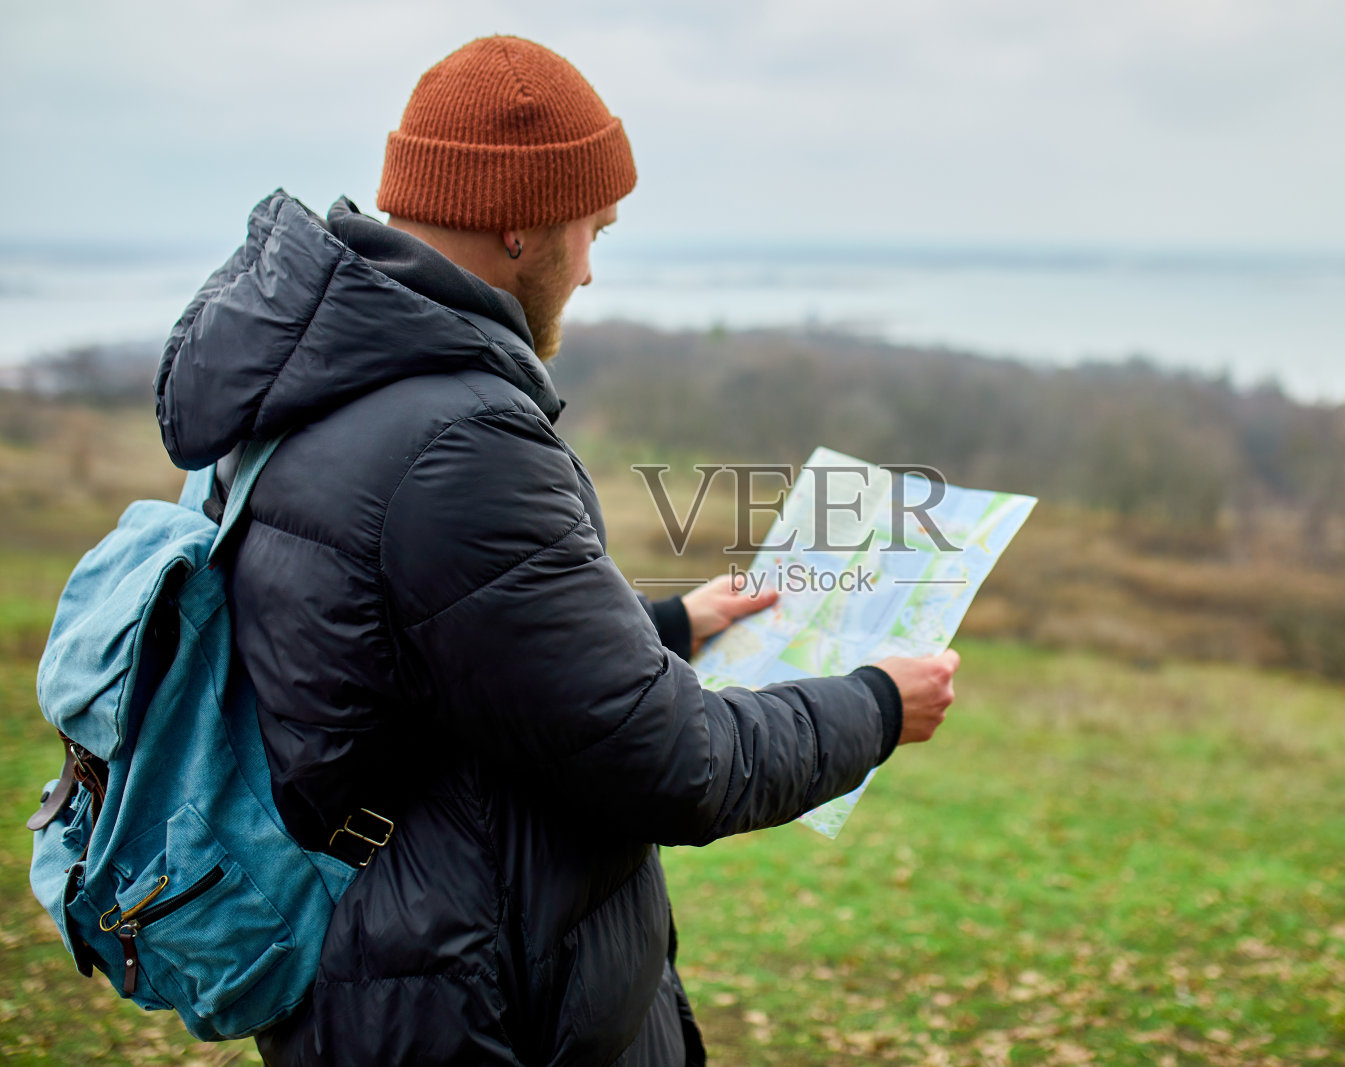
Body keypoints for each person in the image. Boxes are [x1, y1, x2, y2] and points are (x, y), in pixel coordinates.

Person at [155, 35, 959, 1066]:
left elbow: (437, 651)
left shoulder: (315, 387)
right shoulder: (460, 440)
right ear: (521, 227)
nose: (590, 267)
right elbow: (677, 764)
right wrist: (880, 704)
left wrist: (670, 623)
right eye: (592, 229)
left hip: (379, 975)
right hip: (480, 1000)